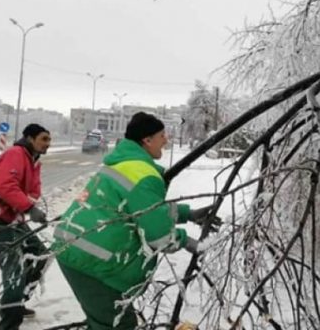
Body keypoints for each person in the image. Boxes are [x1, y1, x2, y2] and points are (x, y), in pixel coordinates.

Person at [53, 112, 220, 329]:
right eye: (162, 135)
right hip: (93, 261)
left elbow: (142, 209)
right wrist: (186, 241)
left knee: (107, 322)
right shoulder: (143, 173)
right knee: (118, 325)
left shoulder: (122, 164)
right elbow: (159, 235)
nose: (166, 139)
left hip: (78, 249)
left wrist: (188, 213)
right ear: (147, 140)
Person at [0, 123, 52, 330]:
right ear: (30, 138)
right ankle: (9, 321)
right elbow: (5, 185)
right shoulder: (16, 154)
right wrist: (29, 207)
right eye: (44, 139)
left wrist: (30, 206)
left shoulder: (34, 161)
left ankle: (16, 301)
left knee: (40, 254)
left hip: (15, 217)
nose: (48, 144)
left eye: (49, 140)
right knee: (14, 271)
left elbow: (34, 190)